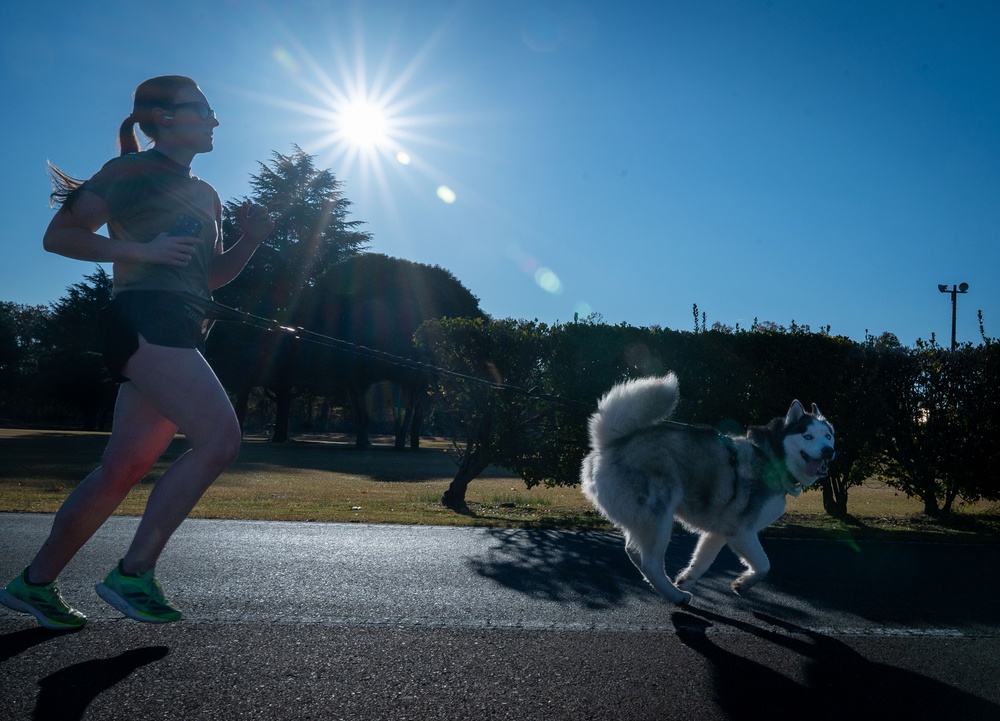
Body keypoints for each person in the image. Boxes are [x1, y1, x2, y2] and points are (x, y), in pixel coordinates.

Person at [0, 76, 274, 628]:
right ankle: (134, 572)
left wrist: (251, 241)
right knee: (219, 441)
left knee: (123, 468)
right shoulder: (129, 172)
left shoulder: (206, 193)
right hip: (144, 321)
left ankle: (33, 585)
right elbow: (60, 235)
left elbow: (210, 276)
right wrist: (140, 249)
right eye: (204, 111)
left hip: (180, 325)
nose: (216, 121)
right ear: (165, 117)